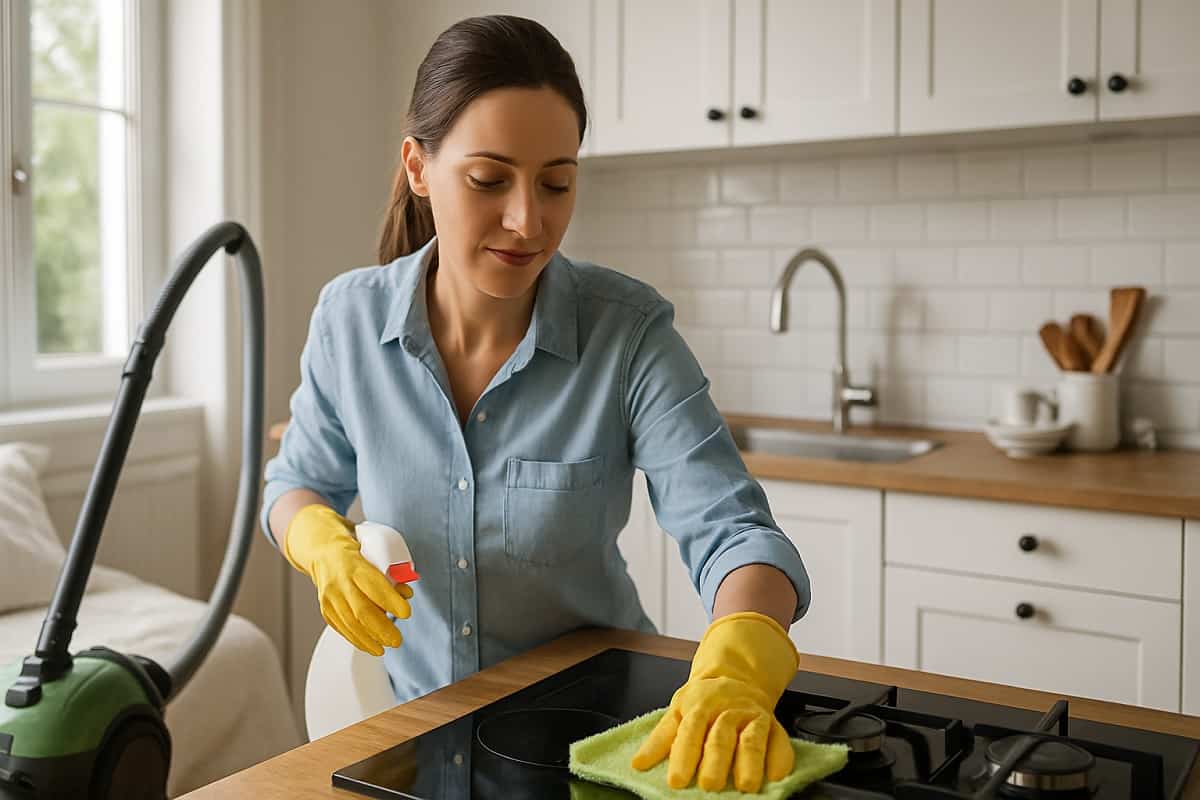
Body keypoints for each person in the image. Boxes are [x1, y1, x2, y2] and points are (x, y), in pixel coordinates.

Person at [260, 14, 810, 794]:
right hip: (416, 739)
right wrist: (319, 541)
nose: (530, 220)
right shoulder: (348, 320)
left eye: (558, 182)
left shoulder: (628, 333)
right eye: (490, 180)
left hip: (601, 746)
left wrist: (741, 657)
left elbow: (734, 531)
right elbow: (294, 483)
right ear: (419, 167)